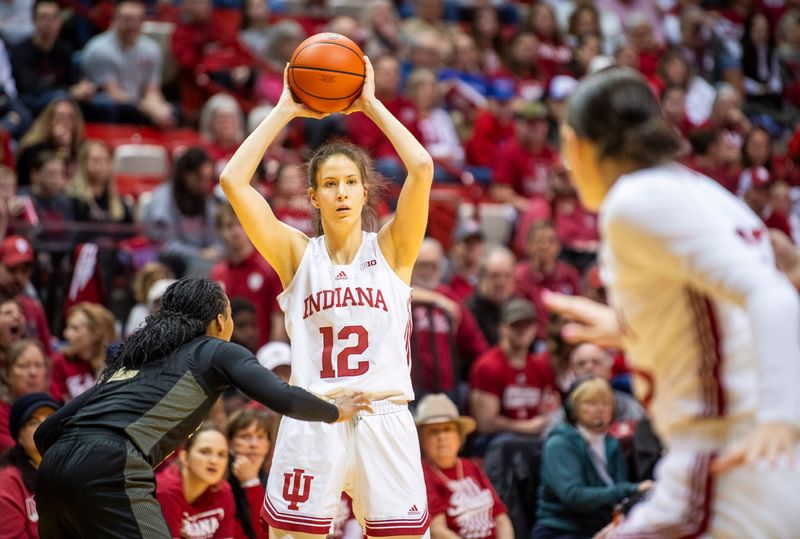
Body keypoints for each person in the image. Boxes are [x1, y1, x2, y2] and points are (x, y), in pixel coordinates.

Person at [545, 67, 800, 537]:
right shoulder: (703, 191)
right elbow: (726, 318)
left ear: (578, 144)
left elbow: (775, 297)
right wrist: (629, 325)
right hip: (755, 460)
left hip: (728, 455)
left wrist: (781, 418)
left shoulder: (633, 202)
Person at [220, 56, 435, 537]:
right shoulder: (297, 256)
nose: (341, 192)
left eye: (351, 183)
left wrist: (371, 104)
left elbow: (421, 166)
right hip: (313, 415)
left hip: (385, 416)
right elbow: (233, 181)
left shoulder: (395, 251)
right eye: (330, 184)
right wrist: (284, 109)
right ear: (313, 197)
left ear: (365, 193)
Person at [33, 277, 370, 538]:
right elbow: (285, 398)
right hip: (113, 463)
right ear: (221, 319)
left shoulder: (135, 361)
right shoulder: (214, 350)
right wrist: (335, 410)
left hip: (53, 467)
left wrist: (69, 467)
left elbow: (45, 432)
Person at [533, 377, 651, 539]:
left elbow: (619, 495)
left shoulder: (612, 444)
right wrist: (633, 489)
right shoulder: (559, 443)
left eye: (606, 403)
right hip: (561, 530)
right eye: (591, 403)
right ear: (573, 408)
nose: (600, 409)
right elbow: (574, 496)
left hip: (601, 528)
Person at [416, 393, 514, 539]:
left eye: (447, 429)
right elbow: (438, 531)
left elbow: (501, 517)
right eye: (433, 431)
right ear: (421, 439)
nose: (442, 437)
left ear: (460, 436)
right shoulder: (422, 474)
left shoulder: (471, 466)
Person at [156, 425, 239, 538]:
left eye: (221, 455)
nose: (214, 461)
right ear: (184, 457)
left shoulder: (223, 491)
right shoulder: (165, 492)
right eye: (205, 452)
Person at [0, 392, 60, 539]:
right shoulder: (8, 484)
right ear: (19, 436)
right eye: (33, 422)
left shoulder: (77, 468)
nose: (44, 426)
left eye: (50, 418)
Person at [226, 408, 273, 539]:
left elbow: (266, 535)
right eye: (245, 436)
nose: (253, 444)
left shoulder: (275, 480)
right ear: (229, 443)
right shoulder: (219, 479)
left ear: (269, 444)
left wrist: (252, 483)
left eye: (261, 437)